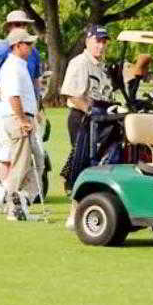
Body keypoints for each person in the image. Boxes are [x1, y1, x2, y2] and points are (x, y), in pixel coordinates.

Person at [0, 10, 43, 188]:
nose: (21, 27)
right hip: (9, 108)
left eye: (23, 24)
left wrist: (38, 107)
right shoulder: (4, 48)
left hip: (28, 109)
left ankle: (17, 196)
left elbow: (36, 80)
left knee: (32, 156)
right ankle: (7, 197)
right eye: (17, 24)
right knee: (6, 157)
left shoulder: (32, 51)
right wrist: (1, 93)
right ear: (10, 27)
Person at [60, 24, 113, 229]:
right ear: (87, 41)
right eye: (97, 41)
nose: (100, 45)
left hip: (102, 121)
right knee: (83, 164)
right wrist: (92, 112)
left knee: (101, 164)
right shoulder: (80, 63)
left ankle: (94, 207)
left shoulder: (102, 66)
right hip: (82, 119)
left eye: (103, 42)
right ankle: (74, 213)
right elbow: (73, 95)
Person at [0, 28, 43, 221]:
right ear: (17, 46)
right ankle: (11, 206)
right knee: (21, 164)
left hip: (24, 117)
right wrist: (23, 119)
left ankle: (22, 201)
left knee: (38, 162)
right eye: (28, 44)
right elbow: (13, 96)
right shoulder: (13, 67)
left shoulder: (20, 65)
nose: (32, 47)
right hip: (19, 119)